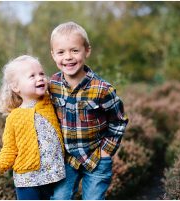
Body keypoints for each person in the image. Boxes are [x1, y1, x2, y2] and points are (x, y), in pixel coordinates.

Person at [49, 21, 129, 200]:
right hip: (66, 160)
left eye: (74, 50)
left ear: (87, 50)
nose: (68, 57)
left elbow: (119, 120)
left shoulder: (102, 89)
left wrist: (106, 151)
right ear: (53, 55)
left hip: (96, 158)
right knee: (59, 198)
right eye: (61, 52)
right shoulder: (52, 85)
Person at [0, 55, 66, 200]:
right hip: (27, 180)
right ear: (16, 87)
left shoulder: (50, 101)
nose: (40, 78)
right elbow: (9, 149)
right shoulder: (14, 118)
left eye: (41, 74)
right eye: (32, 76)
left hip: (55, 175)